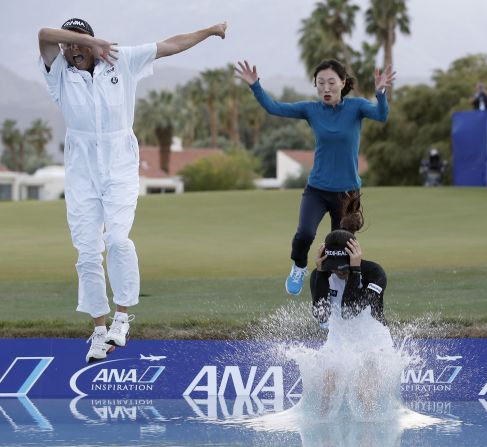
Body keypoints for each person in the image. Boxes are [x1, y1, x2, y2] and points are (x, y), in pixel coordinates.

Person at [38, 18, 227, 363]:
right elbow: (44, 36)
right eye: (68, 46)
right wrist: (80, 42)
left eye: (79, 45)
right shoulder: (59, 72)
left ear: (94, 45)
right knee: (86, 253)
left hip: (120, 167)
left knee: (118, 240)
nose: (71, 51)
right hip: (81, 173)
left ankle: (122, 318)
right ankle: (98, 331)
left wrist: (210, 31)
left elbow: (170, 44)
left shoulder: (120, 60)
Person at [234, 59, 395, 296]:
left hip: (348, 194)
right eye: (320, 83)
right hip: (317, 190)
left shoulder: (357, 107)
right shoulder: (311, 110)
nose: (326, 88)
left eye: (331, 82)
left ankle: (331, 300)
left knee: (340, 252)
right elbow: (274, 107)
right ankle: (299, 267)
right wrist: (255, 85)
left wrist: (380, 93)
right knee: (305, 234)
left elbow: (381, 115)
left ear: (342, 83)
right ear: (315, 86)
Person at [309, 192, 386, 329]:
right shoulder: (319, 274)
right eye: (334, 266)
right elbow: (322, 316)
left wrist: (355, 271)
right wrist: (321, 273)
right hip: (338, 344)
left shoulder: (374, 273)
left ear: (354, 256)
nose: (339, 271)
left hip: (375, 343)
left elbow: (350, 312)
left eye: (343, 267)